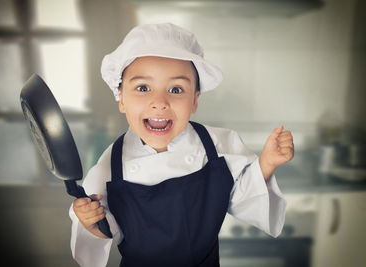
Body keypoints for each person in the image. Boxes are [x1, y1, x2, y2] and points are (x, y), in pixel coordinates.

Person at [69, 23, 294, 267]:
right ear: (121, 98)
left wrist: (267, 163)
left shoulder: (219, 144)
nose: (160, 102)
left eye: (176, 89)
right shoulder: (110, 165)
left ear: (195, 100)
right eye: (143, 88)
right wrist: (90, 222)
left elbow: (242, 198)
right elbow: (108, 230)